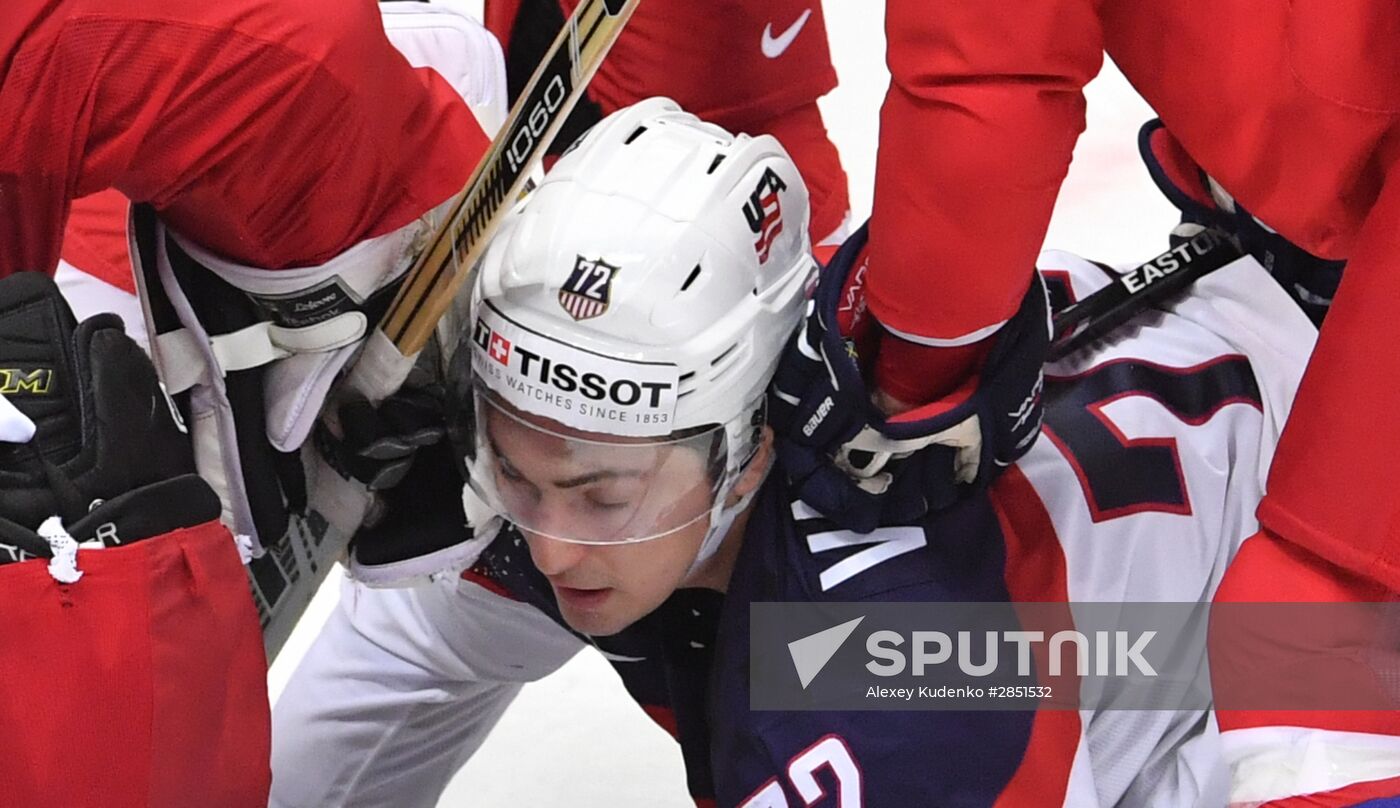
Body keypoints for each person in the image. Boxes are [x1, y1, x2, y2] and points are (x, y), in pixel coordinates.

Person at [271, 98, 1329, 807]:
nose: (551, 547)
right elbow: (413, 653)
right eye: (513, 468)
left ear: (751, 448)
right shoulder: (667, 425)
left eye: (600, 493)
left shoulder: (872, 686)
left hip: (1330, 610)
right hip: (1266, 349)